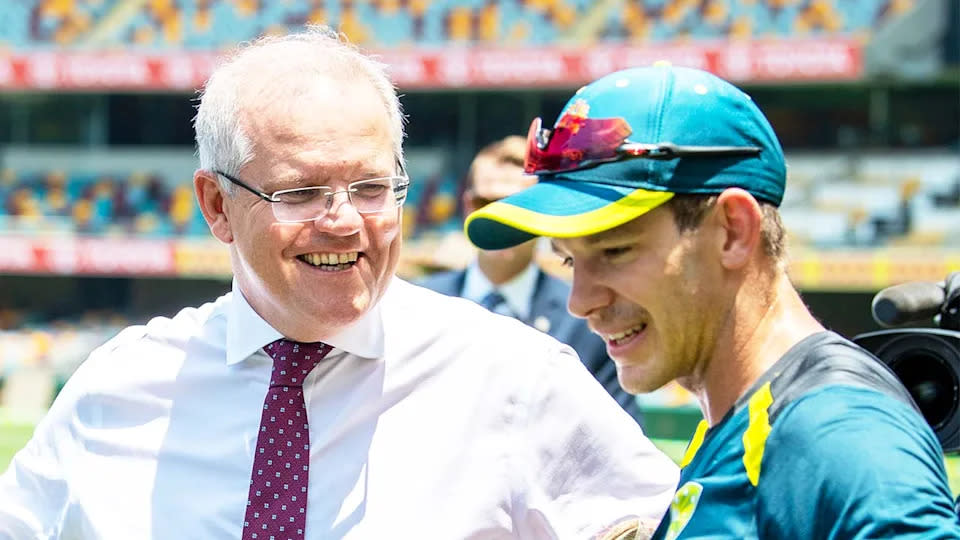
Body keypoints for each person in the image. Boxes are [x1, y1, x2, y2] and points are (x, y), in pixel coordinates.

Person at [0, 29, 680, 539]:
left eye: (371, 187)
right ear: (216, 207)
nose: (345, 221)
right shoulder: (115, 392)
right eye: (300, 193)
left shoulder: (512, 378)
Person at [465, 65, 960, 538]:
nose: (581, 302)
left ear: (732, 231)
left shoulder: (834, 431)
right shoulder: (750, 421)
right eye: (571, 261)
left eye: (615, 251)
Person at [419, 135, 642, 422]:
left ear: (539, 211)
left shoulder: (589, 321)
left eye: (514, 203)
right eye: (484, 202)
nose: (499, 216)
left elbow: (618, 444)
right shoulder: (423, 308)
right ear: (466, 207)